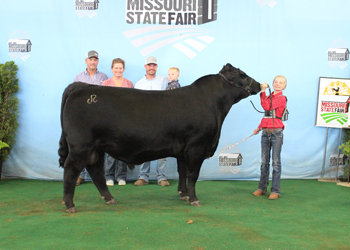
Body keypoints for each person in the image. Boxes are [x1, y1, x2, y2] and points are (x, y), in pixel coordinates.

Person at [133, 56, 170, 187]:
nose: (151, 67)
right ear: (145, 67)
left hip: (162, 119)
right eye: (149, 65)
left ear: (156, 67)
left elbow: (173, 94)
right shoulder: (138, 84)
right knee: (144, 146)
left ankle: (162, 177)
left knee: (164, 148)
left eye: (154, 65)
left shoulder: (165, 81)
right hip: (145, 120)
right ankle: (143, 177)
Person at [74, 50, 108, 186]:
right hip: (84, 116)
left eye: (95, 60)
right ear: (86, 61)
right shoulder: (79, 78)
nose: (93, 62)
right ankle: (79, 175)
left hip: (100, 116)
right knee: (81, 145)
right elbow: (75, 98)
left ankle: (100, 176)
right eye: (90, 59)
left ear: (97, 61)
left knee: (101, 146)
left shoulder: (104, 77)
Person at [252, 75, 287, 200]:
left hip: (276, 133)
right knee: (264, 162)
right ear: (273, 83)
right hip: (265, 133)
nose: (278, 84)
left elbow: (266, 107)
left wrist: (262, 91)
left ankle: (275, 190)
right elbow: (267, 115)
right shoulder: (269, 97)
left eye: (281, 83)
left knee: (276, 162)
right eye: (276, 82)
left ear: (284, 86)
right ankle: (262, 188)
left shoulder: (282, 98)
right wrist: (259, 127)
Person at [102, 58, 134, 186]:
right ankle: (109, 176)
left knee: (123, 148)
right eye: (116, 68)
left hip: (125, 121)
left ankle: (121, 176)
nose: (118, 70)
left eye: (120, 68)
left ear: (123, 69)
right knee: (110, 149)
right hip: (110, 121)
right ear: (112, 69)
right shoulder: (106, 83)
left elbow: (132, 103)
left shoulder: (129, 84)